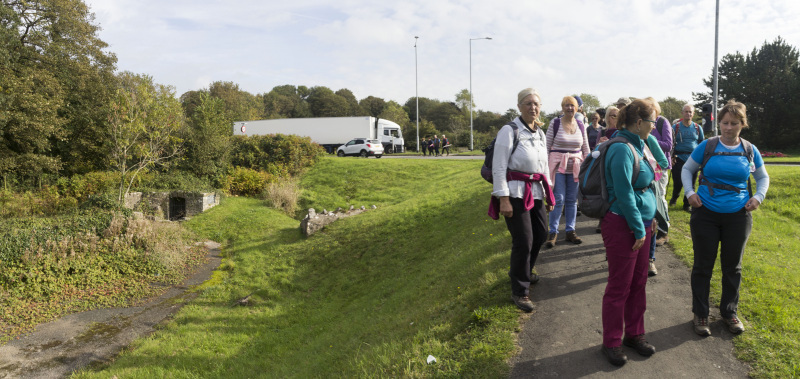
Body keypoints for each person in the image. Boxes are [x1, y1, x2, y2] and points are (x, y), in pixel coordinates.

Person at [682, 100, 769, 337]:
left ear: (743, 124)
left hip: (738, 217)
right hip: (705, 214)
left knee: (733, 267)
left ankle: (729, 312)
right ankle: (700, 313)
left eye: (734, 123)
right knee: (703, 265)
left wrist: (758, 197)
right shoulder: (707, 145)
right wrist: (690, 193)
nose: (728, 128)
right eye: (724, 123)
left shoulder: (749, 149)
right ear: (719, 122)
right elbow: (687, 169)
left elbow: (763, 178)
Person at [600, 98, 658, 366]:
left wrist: (652, 218)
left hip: (641, 224)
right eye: (652, 122)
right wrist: (638, 228)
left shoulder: (640, 144)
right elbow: (623, 193)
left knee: (639, 282)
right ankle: (611, 342)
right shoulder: (622, 149)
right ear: (638, 122)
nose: (654, 126)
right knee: (619, 286)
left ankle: (634, 334)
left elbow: (649, 185)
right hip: (624, 225)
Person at [488, 88, 554, 313]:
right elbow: (498, 166)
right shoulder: (509, 130)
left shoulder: (540, 133)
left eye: (536, 103)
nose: (532, 107)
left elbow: (543, 166)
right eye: (528, 103)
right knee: (524, 239)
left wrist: (548, 194)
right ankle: (519, 290)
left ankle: (524, 270)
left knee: (541, 234)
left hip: (536, 191)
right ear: (519, 106)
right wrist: (503, 199)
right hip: (515, 192)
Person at [545, 96, 590, 247]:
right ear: (562, 107)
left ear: (577, 108)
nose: (570, 108)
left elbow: (585, 148)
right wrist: (544, 167)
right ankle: (553, 232)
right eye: (567, 105)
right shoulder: (555, 123)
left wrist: (589, 164)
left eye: (572, 105)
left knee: (572, 200)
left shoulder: (580, 124)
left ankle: (571, 231)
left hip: (575, 167)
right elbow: (546, 146)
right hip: (557, 166)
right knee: (558, 199)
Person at [643, 97, 673, 275]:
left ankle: (663, 232)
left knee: (658, 203)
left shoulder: (661, 125)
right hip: (638, 179)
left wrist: (649, 143)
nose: (652, 123)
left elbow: (668, 146)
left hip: (656, 174)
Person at [670, 104, 704, 212]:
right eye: (686, 111)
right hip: (678, 157)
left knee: (691, 183)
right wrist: (671, 157)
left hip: (693, 158)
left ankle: (687, 204)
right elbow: (671, 143)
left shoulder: (698, 128)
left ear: (693, 114)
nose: (688, 114)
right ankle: (674, 198)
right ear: (682, 113)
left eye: (690, 112)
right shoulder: (676, 127)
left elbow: (701, 143)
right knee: (678, 182)